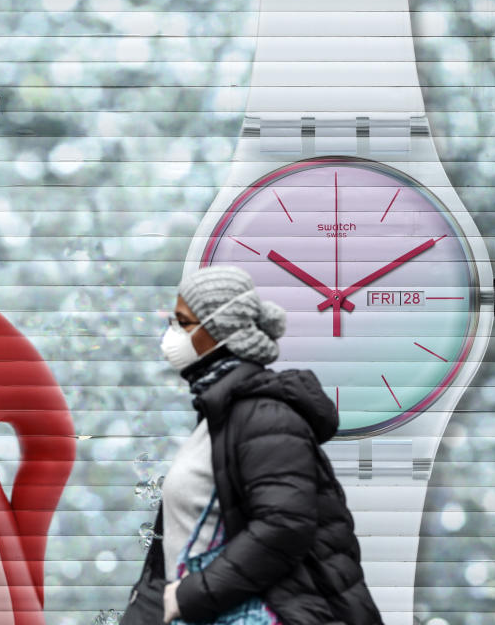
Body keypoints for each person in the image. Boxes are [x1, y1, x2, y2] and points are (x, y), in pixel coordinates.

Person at [154, 265, 382, 624]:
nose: (171, 334)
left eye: (182, 323)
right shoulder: (219, 417)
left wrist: (190, 595)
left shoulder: (263, 417)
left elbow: (284, 525)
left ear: (217, 330)